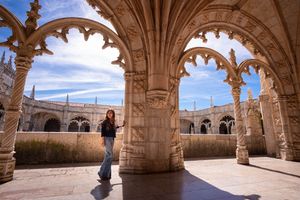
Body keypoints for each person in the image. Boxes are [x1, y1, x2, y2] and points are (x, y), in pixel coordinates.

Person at [98, 109, 125, 181]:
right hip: (107, 139)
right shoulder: (104, 122)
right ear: (106, 114)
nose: (110, 114)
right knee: (109, 156)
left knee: (108, 156)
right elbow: (103, 132)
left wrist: (122, 125)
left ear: (113, 114)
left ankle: (106, 174)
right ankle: (102, 173)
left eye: (111, 113)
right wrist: (102, 140)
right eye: (108, 113)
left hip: (112, 139)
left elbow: (115, 128)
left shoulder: (112, 122)